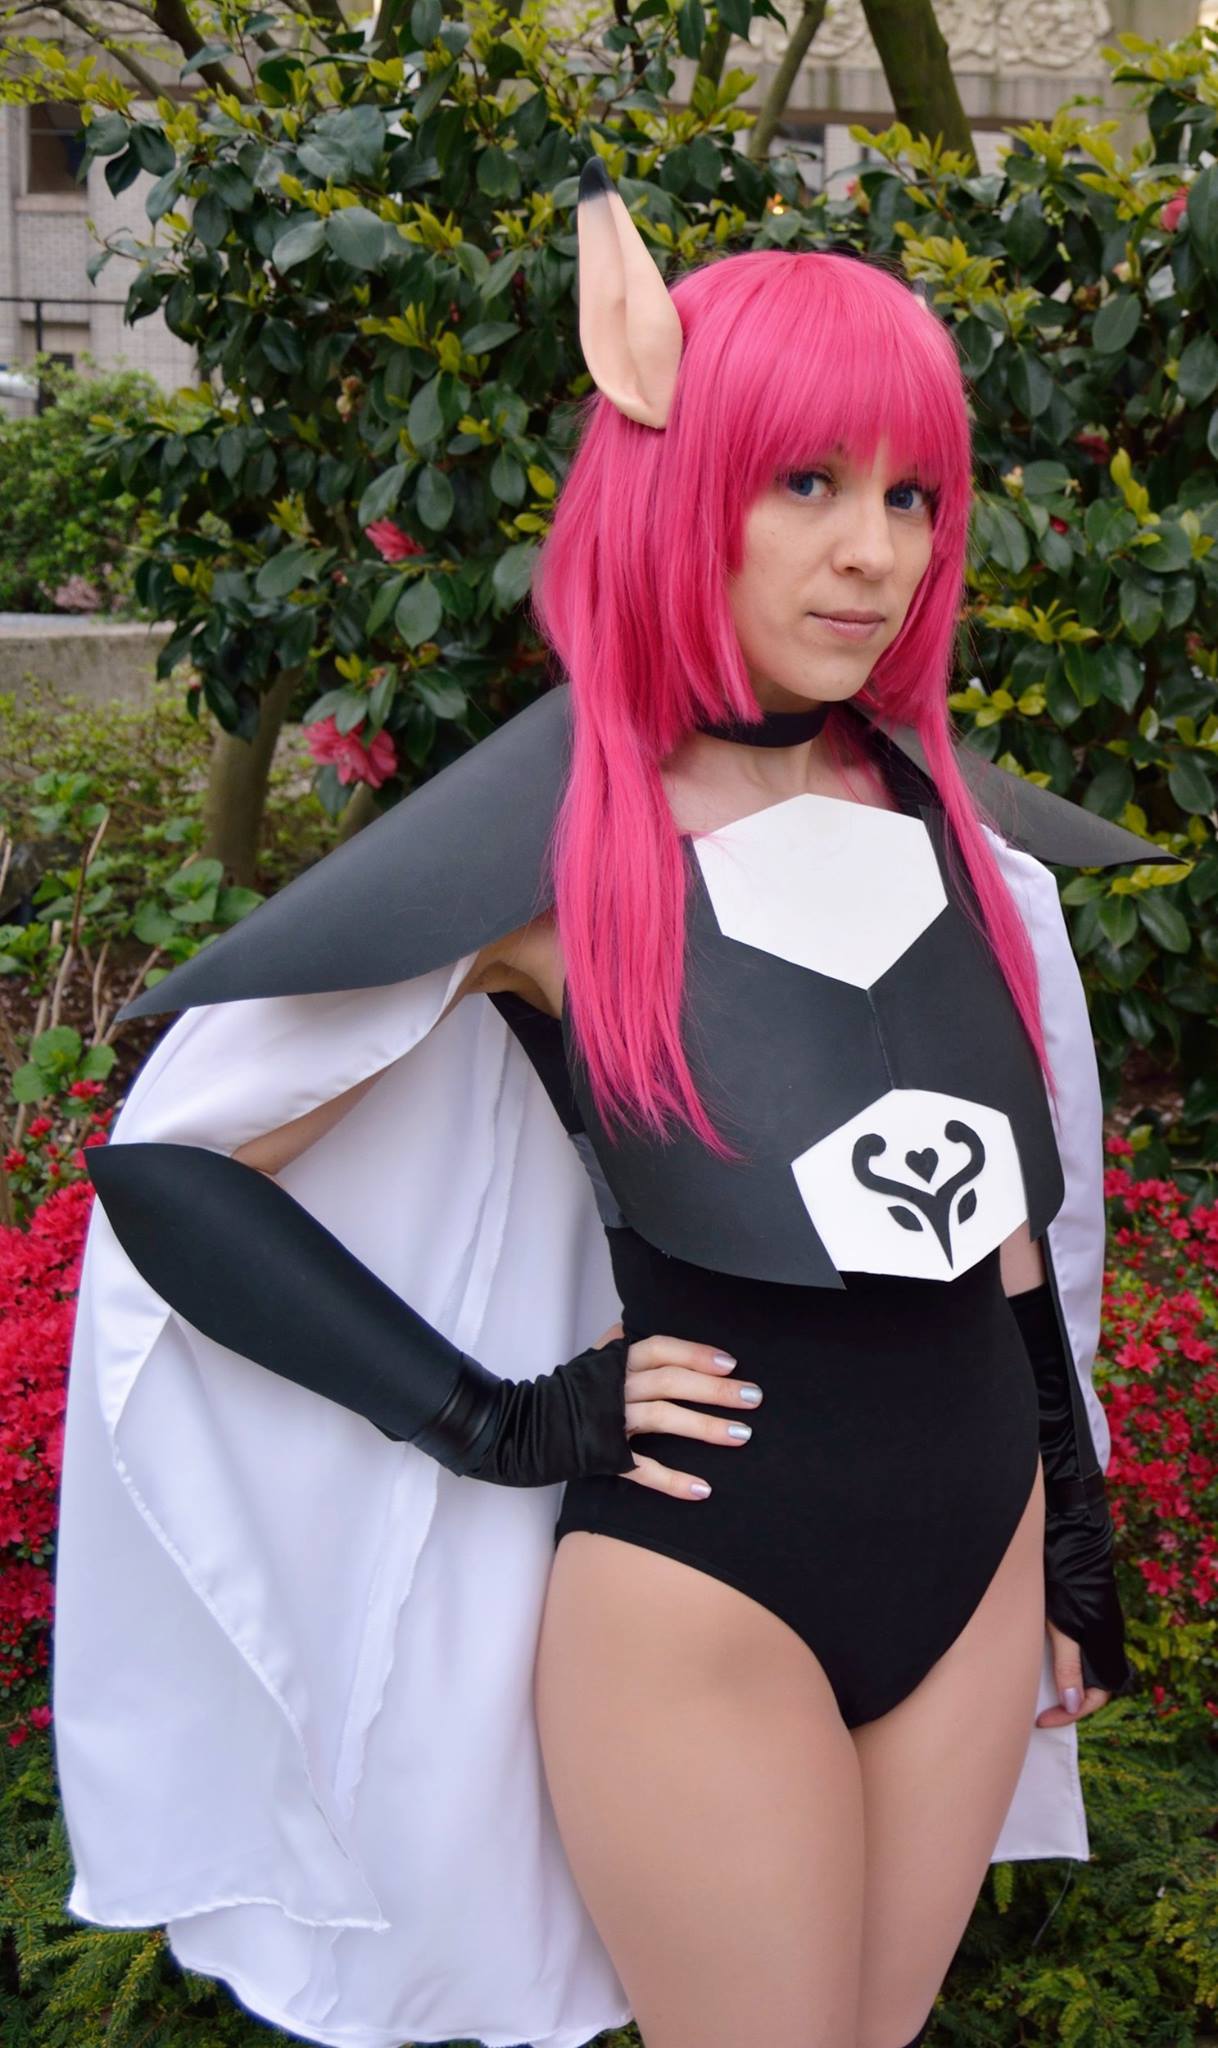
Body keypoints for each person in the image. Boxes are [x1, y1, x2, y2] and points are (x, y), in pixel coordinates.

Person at [53, 161, 1166, 2048]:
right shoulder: (549, 849)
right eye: (803, 483)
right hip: (706, 1586)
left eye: (909, 495)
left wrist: (1068, 1531)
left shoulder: (962, 836)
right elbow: (177, 1166)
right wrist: (493, 1417)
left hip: (973, 1563)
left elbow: (1008, 1234)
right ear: (671, 470)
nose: (870, 553)